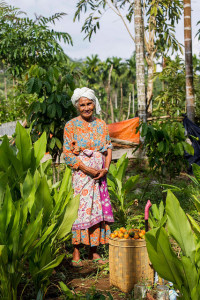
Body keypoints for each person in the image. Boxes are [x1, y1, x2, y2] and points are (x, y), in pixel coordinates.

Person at [63, 87, 114, 267]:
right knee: (80, 210)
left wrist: (104, 169)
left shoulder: (101, 125)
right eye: (82, 105)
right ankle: (76, 251)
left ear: (94, 103)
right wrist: (87, 169)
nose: (86, 108)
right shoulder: (70, 126)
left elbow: (108, 149)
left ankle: (94, 251)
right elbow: (67, 154)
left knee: (95, 210)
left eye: (89, 103)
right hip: (81, 176)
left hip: (99, 176)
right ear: (77, 107)